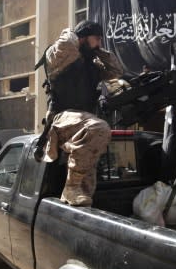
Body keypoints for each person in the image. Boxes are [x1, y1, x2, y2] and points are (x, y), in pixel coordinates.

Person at [38, 20, 123, 206]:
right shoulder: (60, 56)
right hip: (61, 117)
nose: (99, 43)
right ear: (82, 37)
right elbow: (67, 44)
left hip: (81, 122)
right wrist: (74, 33)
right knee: (98, 128)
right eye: (97, 39)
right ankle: (70, 187)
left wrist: (98, 50)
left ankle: (74, 198)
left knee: (86, 191)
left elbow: (116, 71)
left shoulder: (92, 63)